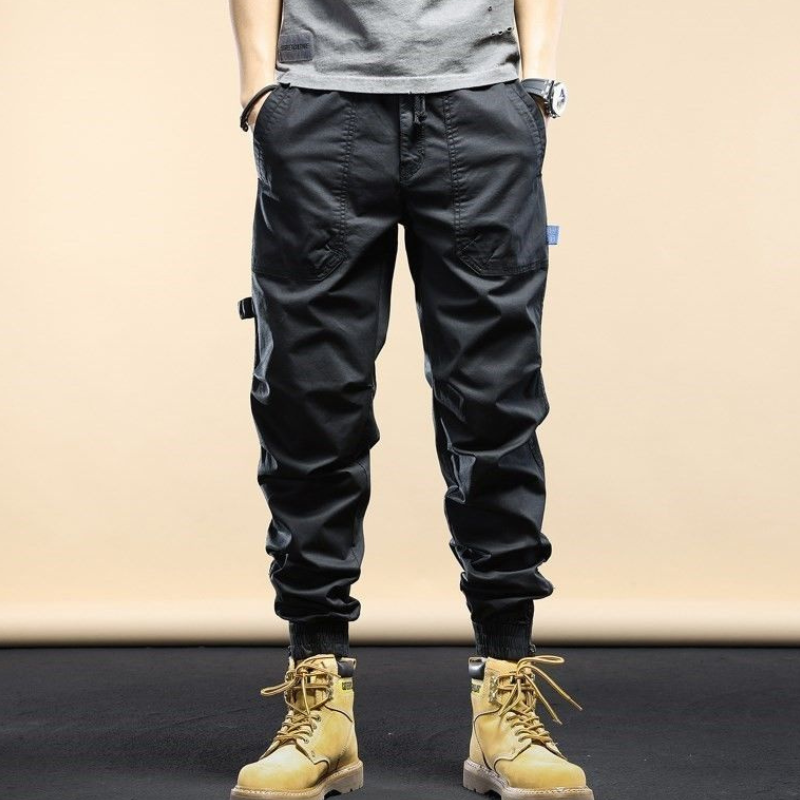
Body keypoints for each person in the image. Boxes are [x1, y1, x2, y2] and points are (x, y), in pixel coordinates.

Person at [227, 1, 592, 798]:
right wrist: (260, 89)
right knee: (308, 406)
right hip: (319, 106)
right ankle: (320, 706)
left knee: (495, 406)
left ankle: (504, 703)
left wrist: (534, 83)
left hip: (479, 107)